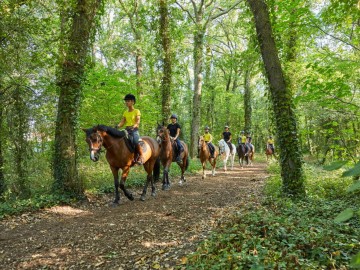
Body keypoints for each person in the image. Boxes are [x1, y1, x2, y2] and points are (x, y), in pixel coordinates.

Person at [117, 93, 143, 165]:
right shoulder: (125, 112)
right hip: (127, 129)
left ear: (133, 102)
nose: (126, 102)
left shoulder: (137, 111)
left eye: (128, 101)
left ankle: (141, 156)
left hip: (134, 130)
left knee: (135, 141)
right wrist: (117, 126)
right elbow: (122, 122)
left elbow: (138, 121)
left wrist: (134, 126)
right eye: (126, 101)